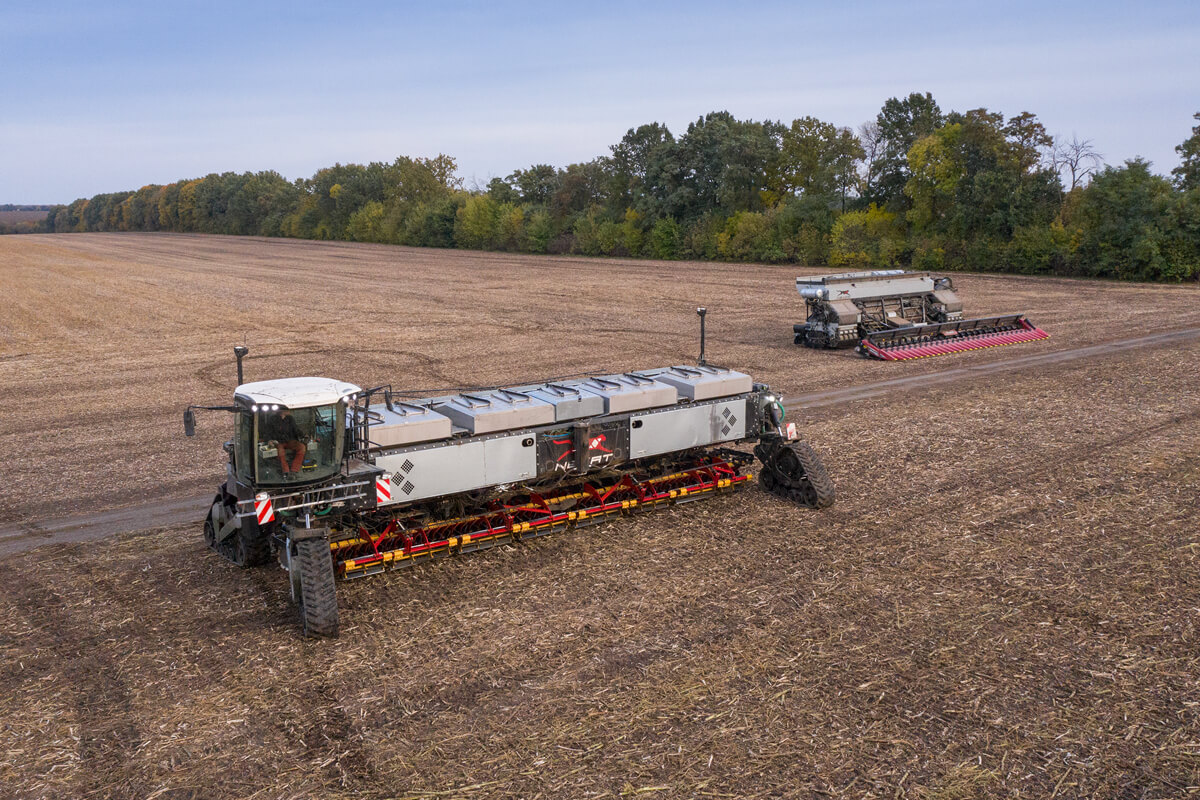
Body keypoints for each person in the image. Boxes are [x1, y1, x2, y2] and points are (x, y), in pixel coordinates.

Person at [265, 409, 307, 477]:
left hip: (289, 440)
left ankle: (294, 470)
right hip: (278, 441)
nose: (289, 411)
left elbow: (295, 429)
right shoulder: (272, 419)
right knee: (280, 452)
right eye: (287, 410)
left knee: (302, 447)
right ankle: (286, 471)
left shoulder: (290, 418)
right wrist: (269, 440)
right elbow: (268, 432)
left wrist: (303, 435)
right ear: (282, 411)